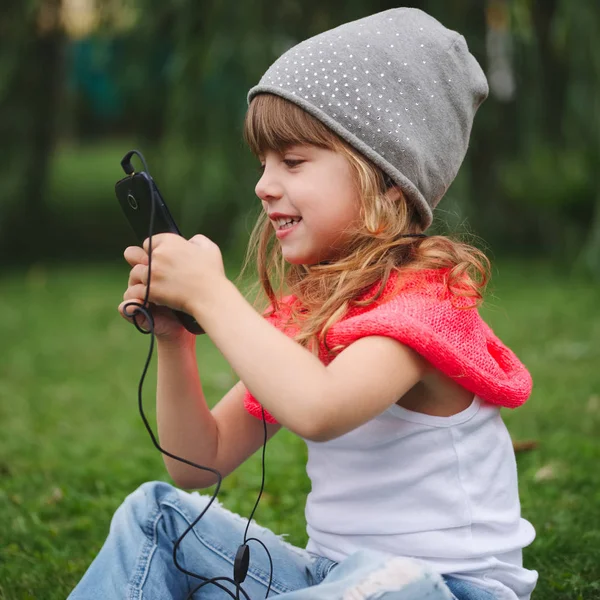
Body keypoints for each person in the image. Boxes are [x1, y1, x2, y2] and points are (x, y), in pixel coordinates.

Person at [68, 7, 538, 600]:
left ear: (386, 182)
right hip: (332, 580)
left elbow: (319, 408)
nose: (264, 184)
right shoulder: (312, 312)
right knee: (156, 514)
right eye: (263, 163)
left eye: (292, 161)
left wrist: (212, 294)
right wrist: (176, 339)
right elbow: (198, 461)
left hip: (442, 587)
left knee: (395, 584)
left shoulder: (425, 309)